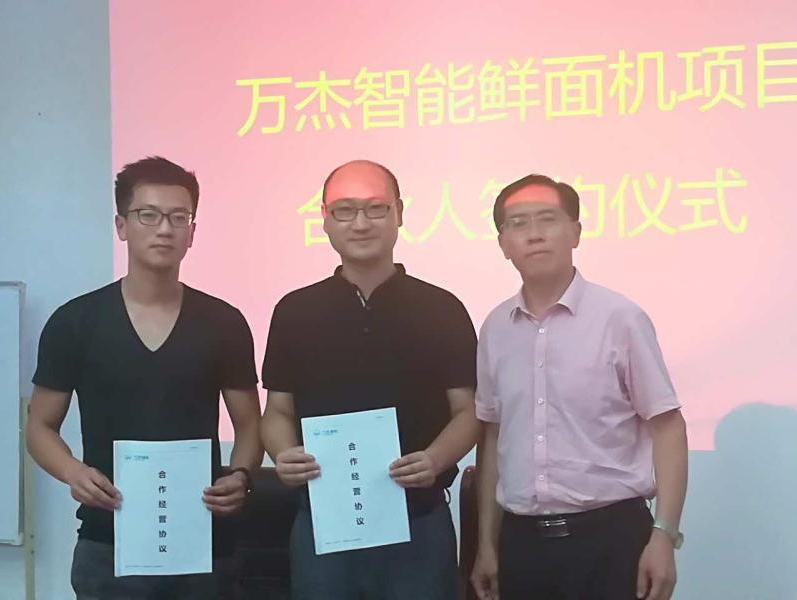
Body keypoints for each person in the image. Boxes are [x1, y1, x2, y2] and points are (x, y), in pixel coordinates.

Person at [26, 156, 263, 599]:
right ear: (121, 226)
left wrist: (242, 474)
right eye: (148, 215)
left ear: (192, 232)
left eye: (179, 217)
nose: (164, 229)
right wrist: (73, 472)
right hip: (108, 541)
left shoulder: (224, 322)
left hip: (203, 542)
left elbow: (250, 423)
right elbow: (39, 427)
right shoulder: (75, 321)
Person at [260, 159, 478, 599]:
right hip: (324, 525)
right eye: (345, 210)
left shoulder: (442, 308)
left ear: (399, 213)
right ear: (325, 219)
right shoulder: (294, 311)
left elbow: (470, 411)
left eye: (376, 208)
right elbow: (277, 411)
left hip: (418, 524)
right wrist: (282, 453)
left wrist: (435, 459)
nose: (360, 223)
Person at [470, 174, 688, 600]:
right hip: (522, 544)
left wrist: (664, 534)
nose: (534, 234)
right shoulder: (495, 328)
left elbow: (667, 427)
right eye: (518, 224)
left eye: (547, 219)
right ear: (503, 243)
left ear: (575, 232)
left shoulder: (619, 318)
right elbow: (494, 436)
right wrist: (487, 545)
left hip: (612, 538)